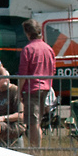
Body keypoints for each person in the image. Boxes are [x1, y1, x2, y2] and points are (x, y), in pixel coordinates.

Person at [16, 19, 54, 147]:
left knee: (33, 123)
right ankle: (37, 148)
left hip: (32, 89)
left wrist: (19, 91)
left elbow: (23, 74)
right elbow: (52, 70)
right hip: (46, 87)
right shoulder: (48, 49)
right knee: (37, 121)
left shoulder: (28, 49)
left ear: (27, 33)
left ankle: (34, 150)